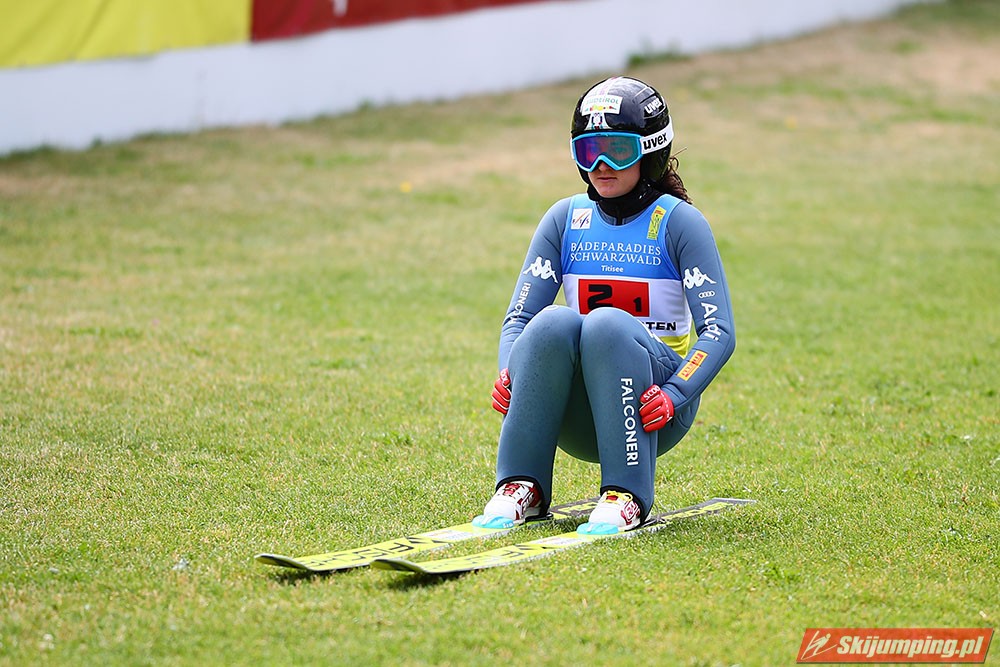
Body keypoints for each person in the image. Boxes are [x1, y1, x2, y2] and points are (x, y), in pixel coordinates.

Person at [474, 76, 736, 535]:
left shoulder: (681, 224)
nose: (600, 165)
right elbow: (520, 319)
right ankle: (522, 485)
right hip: (578, 413)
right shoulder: (565, 218)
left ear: (650, 152)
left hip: (652, 409)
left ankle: (626, 494)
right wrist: (509, 372)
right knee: (552, 321)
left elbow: (718, 333)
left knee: (607, 325)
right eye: (588, 151)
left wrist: (675, 394)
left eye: (617, 150)